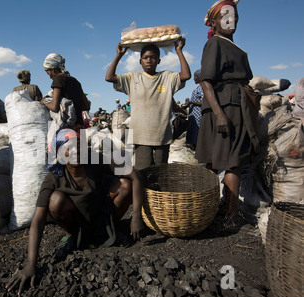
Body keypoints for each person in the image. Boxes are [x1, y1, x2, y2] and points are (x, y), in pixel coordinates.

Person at [6, 128, 144, 295]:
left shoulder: (96, 162)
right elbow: (37, 221)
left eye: (78, 145)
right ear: (59, 152)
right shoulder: (54, 177)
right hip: (78, 225)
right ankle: (78, 238)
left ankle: (108, 232)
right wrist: (30, 264)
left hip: (103, 217)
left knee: (125, 185)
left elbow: (134, 175)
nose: (75, 151)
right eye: (68, 147)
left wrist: (136, 215)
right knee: (55, 200)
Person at [195, 0, 259, 233]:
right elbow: (206, 81)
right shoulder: (214, 44)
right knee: (227, 161)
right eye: (224, 16)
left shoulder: (231, 46)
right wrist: (220, 114)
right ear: (214, 22)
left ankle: (222, 211)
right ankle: (227, 215)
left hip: (235, 104)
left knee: (229, 161)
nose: (230, 20)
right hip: (224, 106)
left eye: (233, 15)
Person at [105, 40, 191, 170]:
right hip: (141, 136)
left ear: (159, 61)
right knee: (143, 172)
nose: (149, 60)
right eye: (145, 58)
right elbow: (109, 77)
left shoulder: (167, 77)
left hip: (162, 135)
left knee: (161, 173)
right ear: (140, 61)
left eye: (153, 57)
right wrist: (119, 55)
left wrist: (179, 51)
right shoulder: (132, 78)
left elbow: (186, 75)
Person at [41, 53, 91, 131]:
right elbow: (87, 106)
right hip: (81, 128)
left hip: (68, 129)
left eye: (48, 73)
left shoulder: (58, 79)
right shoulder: (75, 81)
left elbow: (55, 107)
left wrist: (44, 102)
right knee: (83, 144)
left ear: (54, 69)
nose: (49, 76)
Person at [183, 69, 204, 150]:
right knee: (192, 139)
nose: (194, 78)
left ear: (199, 77)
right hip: (194, 117)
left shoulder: (204, 88)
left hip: (199, 117)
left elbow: (205, 102)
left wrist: (191, 102)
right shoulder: (198, 88)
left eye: (195, 76)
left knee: (198, 138)